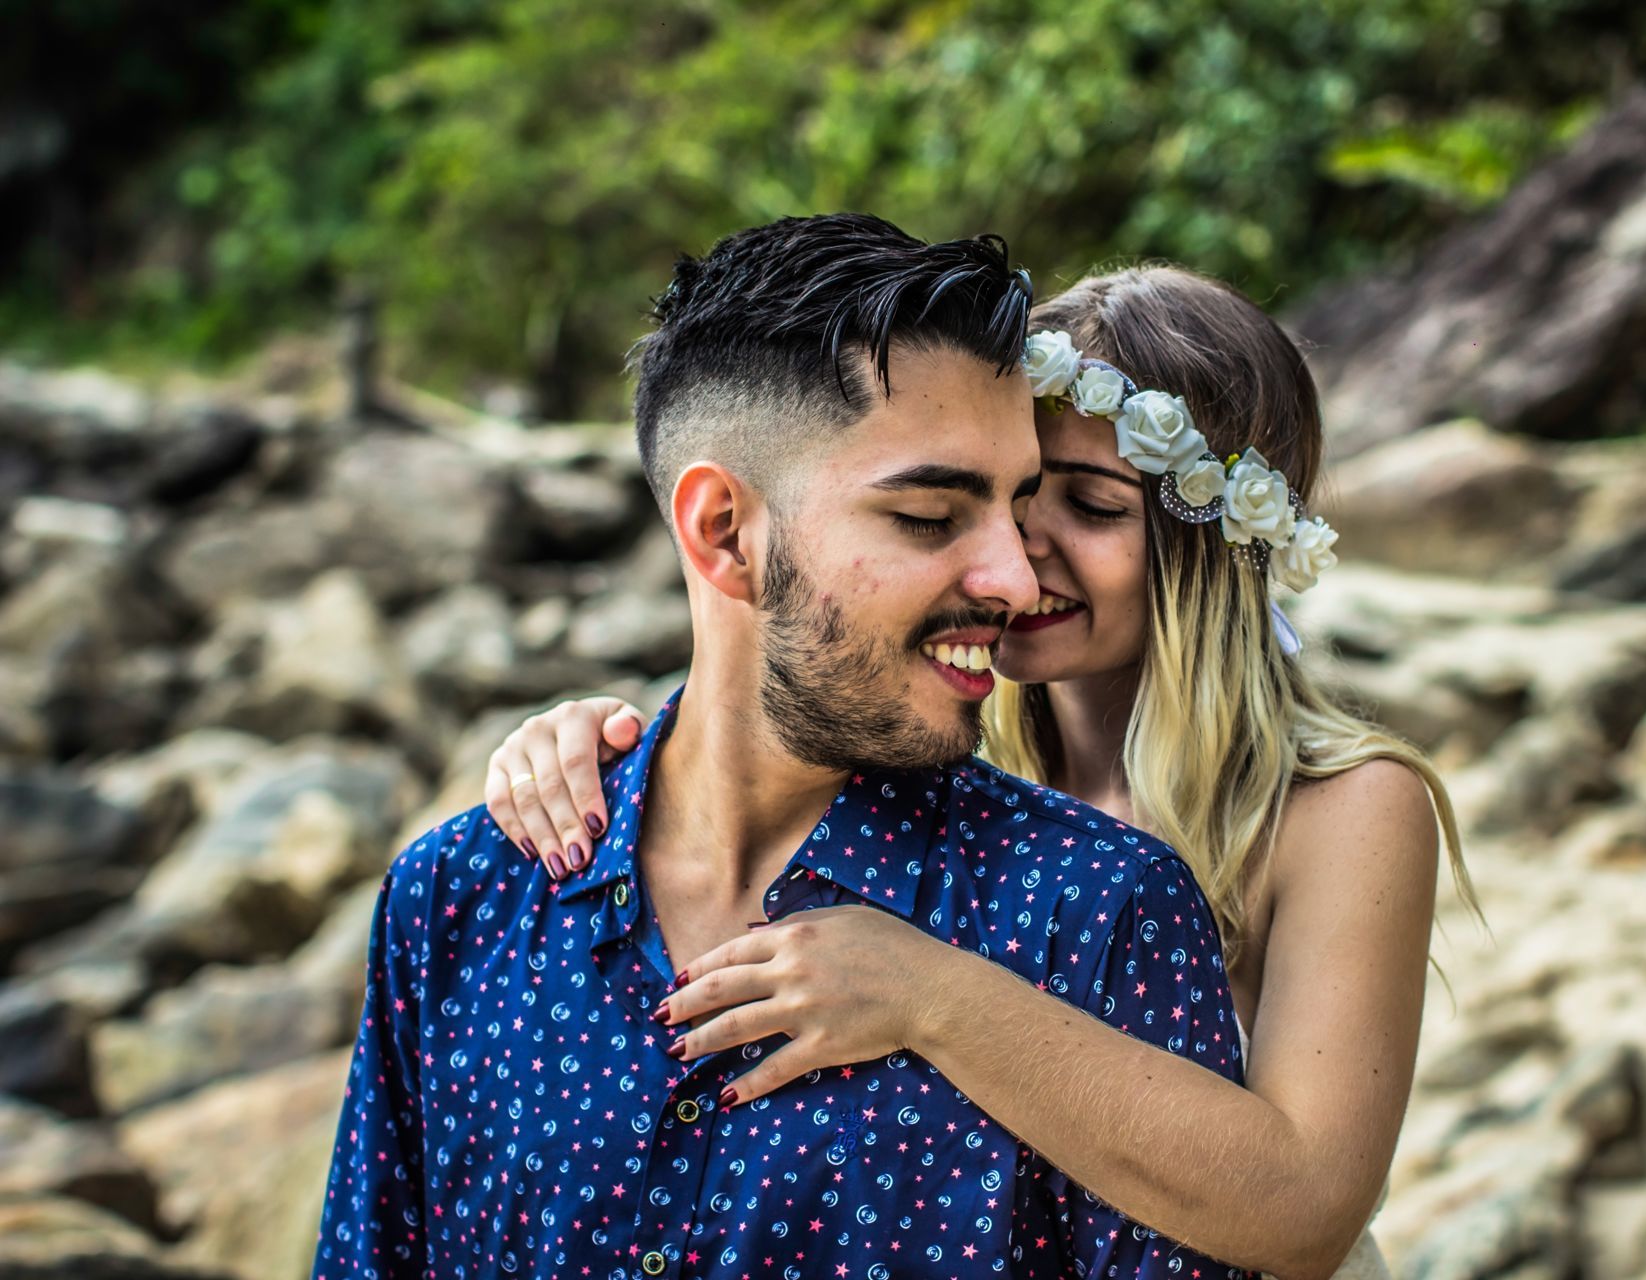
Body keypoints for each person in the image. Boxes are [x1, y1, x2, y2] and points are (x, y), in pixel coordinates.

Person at [486, 263, 1486, 1280]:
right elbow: (761, 702)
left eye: (1092, 507)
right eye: (1012, 496)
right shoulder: (933, 751)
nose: (1015, 554)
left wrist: (936, 996)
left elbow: (1307, 1206)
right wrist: (601, 748)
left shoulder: (1343, 806)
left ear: (1214, 546)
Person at [311, 214, 1254, 1280]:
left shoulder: (1098, 914)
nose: (1016, 579)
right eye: (931, 515)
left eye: (1020, 506)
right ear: (723, 532)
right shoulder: (457, 896)